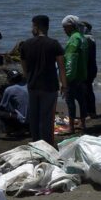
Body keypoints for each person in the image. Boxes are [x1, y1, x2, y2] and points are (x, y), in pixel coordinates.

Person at [20, 15, 66, 146]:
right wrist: (64, 84)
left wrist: (29, 79)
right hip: (49, 86)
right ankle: (47, 144)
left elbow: (24, 67)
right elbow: (61, 67)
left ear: (36, 26)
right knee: (47, 118)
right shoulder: (54, 44)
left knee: (34, 117)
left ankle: (36, 143)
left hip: (33, 85)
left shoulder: (26, 44)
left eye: (32, 26)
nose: (31, 29)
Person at [61, 15, 88, 135]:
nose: (64, 30)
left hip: (73, 76)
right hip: (82, 75)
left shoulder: (73, 39)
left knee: (70, 101)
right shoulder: (82, 38)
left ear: (70, 26)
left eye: (65, 27)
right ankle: (83, 124)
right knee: (82, 101)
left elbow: (70, 60)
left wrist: (65, 80)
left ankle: (71, 127)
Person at [0, 70, 29, 136]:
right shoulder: (28, 86)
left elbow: (2, 106)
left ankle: (16, 129)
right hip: (33, 120)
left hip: (23, 121)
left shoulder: (9, 89)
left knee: (0, 113)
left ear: (10, 80)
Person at [83, 21, 98, 118]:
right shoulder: (90, 38)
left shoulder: (87, 39)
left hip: (88, 68)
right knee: (88, 89)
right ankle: (90, 111)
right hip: (91, 68)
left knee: (87, 90)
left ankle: (90, 112)